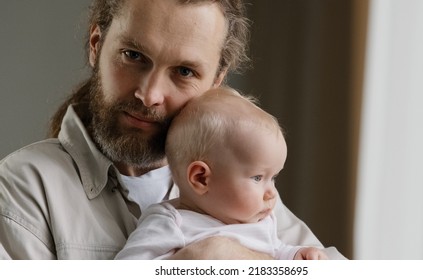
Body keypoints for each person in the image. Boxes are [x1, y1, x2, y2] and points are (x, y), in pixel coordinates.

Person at [0, 0, 345, 259]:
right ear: (96, 45)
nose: (149, 94)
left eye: (184, 72)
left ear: (216, 82)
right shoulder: (25, 189)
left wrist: (226, 257)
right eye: (133, 55)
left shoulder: (236, 185)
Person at [115, 87, 330, 260]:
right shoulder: (172, 222)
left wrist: (296, 255)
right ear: (201, 178)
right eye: (257, 178)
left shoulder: (263, 221)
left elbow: (277, 249)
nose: (271, 193)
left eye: (272, 178)